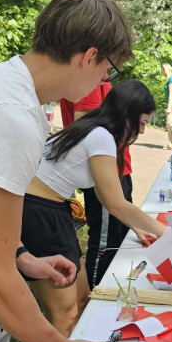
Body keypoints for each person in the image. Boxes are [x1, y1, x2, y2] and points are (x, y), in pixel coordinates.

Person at [0, 0, 134, 342]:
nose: (106, 78)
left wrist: (22, 256)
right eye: (108, 68)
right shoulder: (10, 115)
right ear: (89, 56)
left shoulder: (0, 88)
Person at [22, 81, 169, 336]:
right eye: (143, 123)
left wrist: (135, 226)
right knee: (66, 313)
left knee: (82, 299)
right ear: (127, 116)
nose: (143, 131)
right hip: (39, 213)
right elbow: (115, 201)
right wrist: (166, 232)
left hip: (52, 210)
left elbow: (103, 193)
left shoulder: (96, 130)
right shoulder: (101, 137)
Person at [60, 82, 139, 289]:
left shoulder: (99, 75)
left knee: (120, 238)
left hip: (117, 169)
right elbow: (88, 133)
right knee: (105, 243)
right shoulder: (91, 80)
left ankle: (116, 289)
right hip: (104, 174)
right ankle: (97, 294)